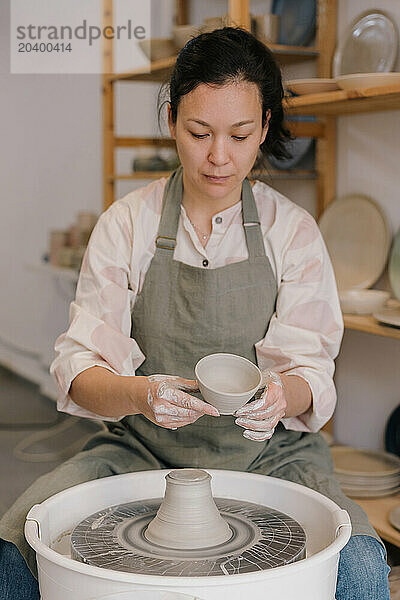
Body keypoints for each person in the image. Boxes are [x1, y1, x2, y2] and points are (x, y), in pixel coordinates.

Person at [0, 27, 390, 599]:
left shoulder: (293, 232)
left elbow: (312, 375)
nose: (218, 156)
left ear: (264, 129)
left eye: (239, 135)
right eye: (199, 131)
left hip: (270, 455)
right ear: (171, 121)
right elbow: (81, 373)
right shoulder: (128, 223)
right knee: (17, 549)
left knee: (358, 567)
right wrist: (141, 395)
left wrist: (285, 394)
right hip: (139, 449)